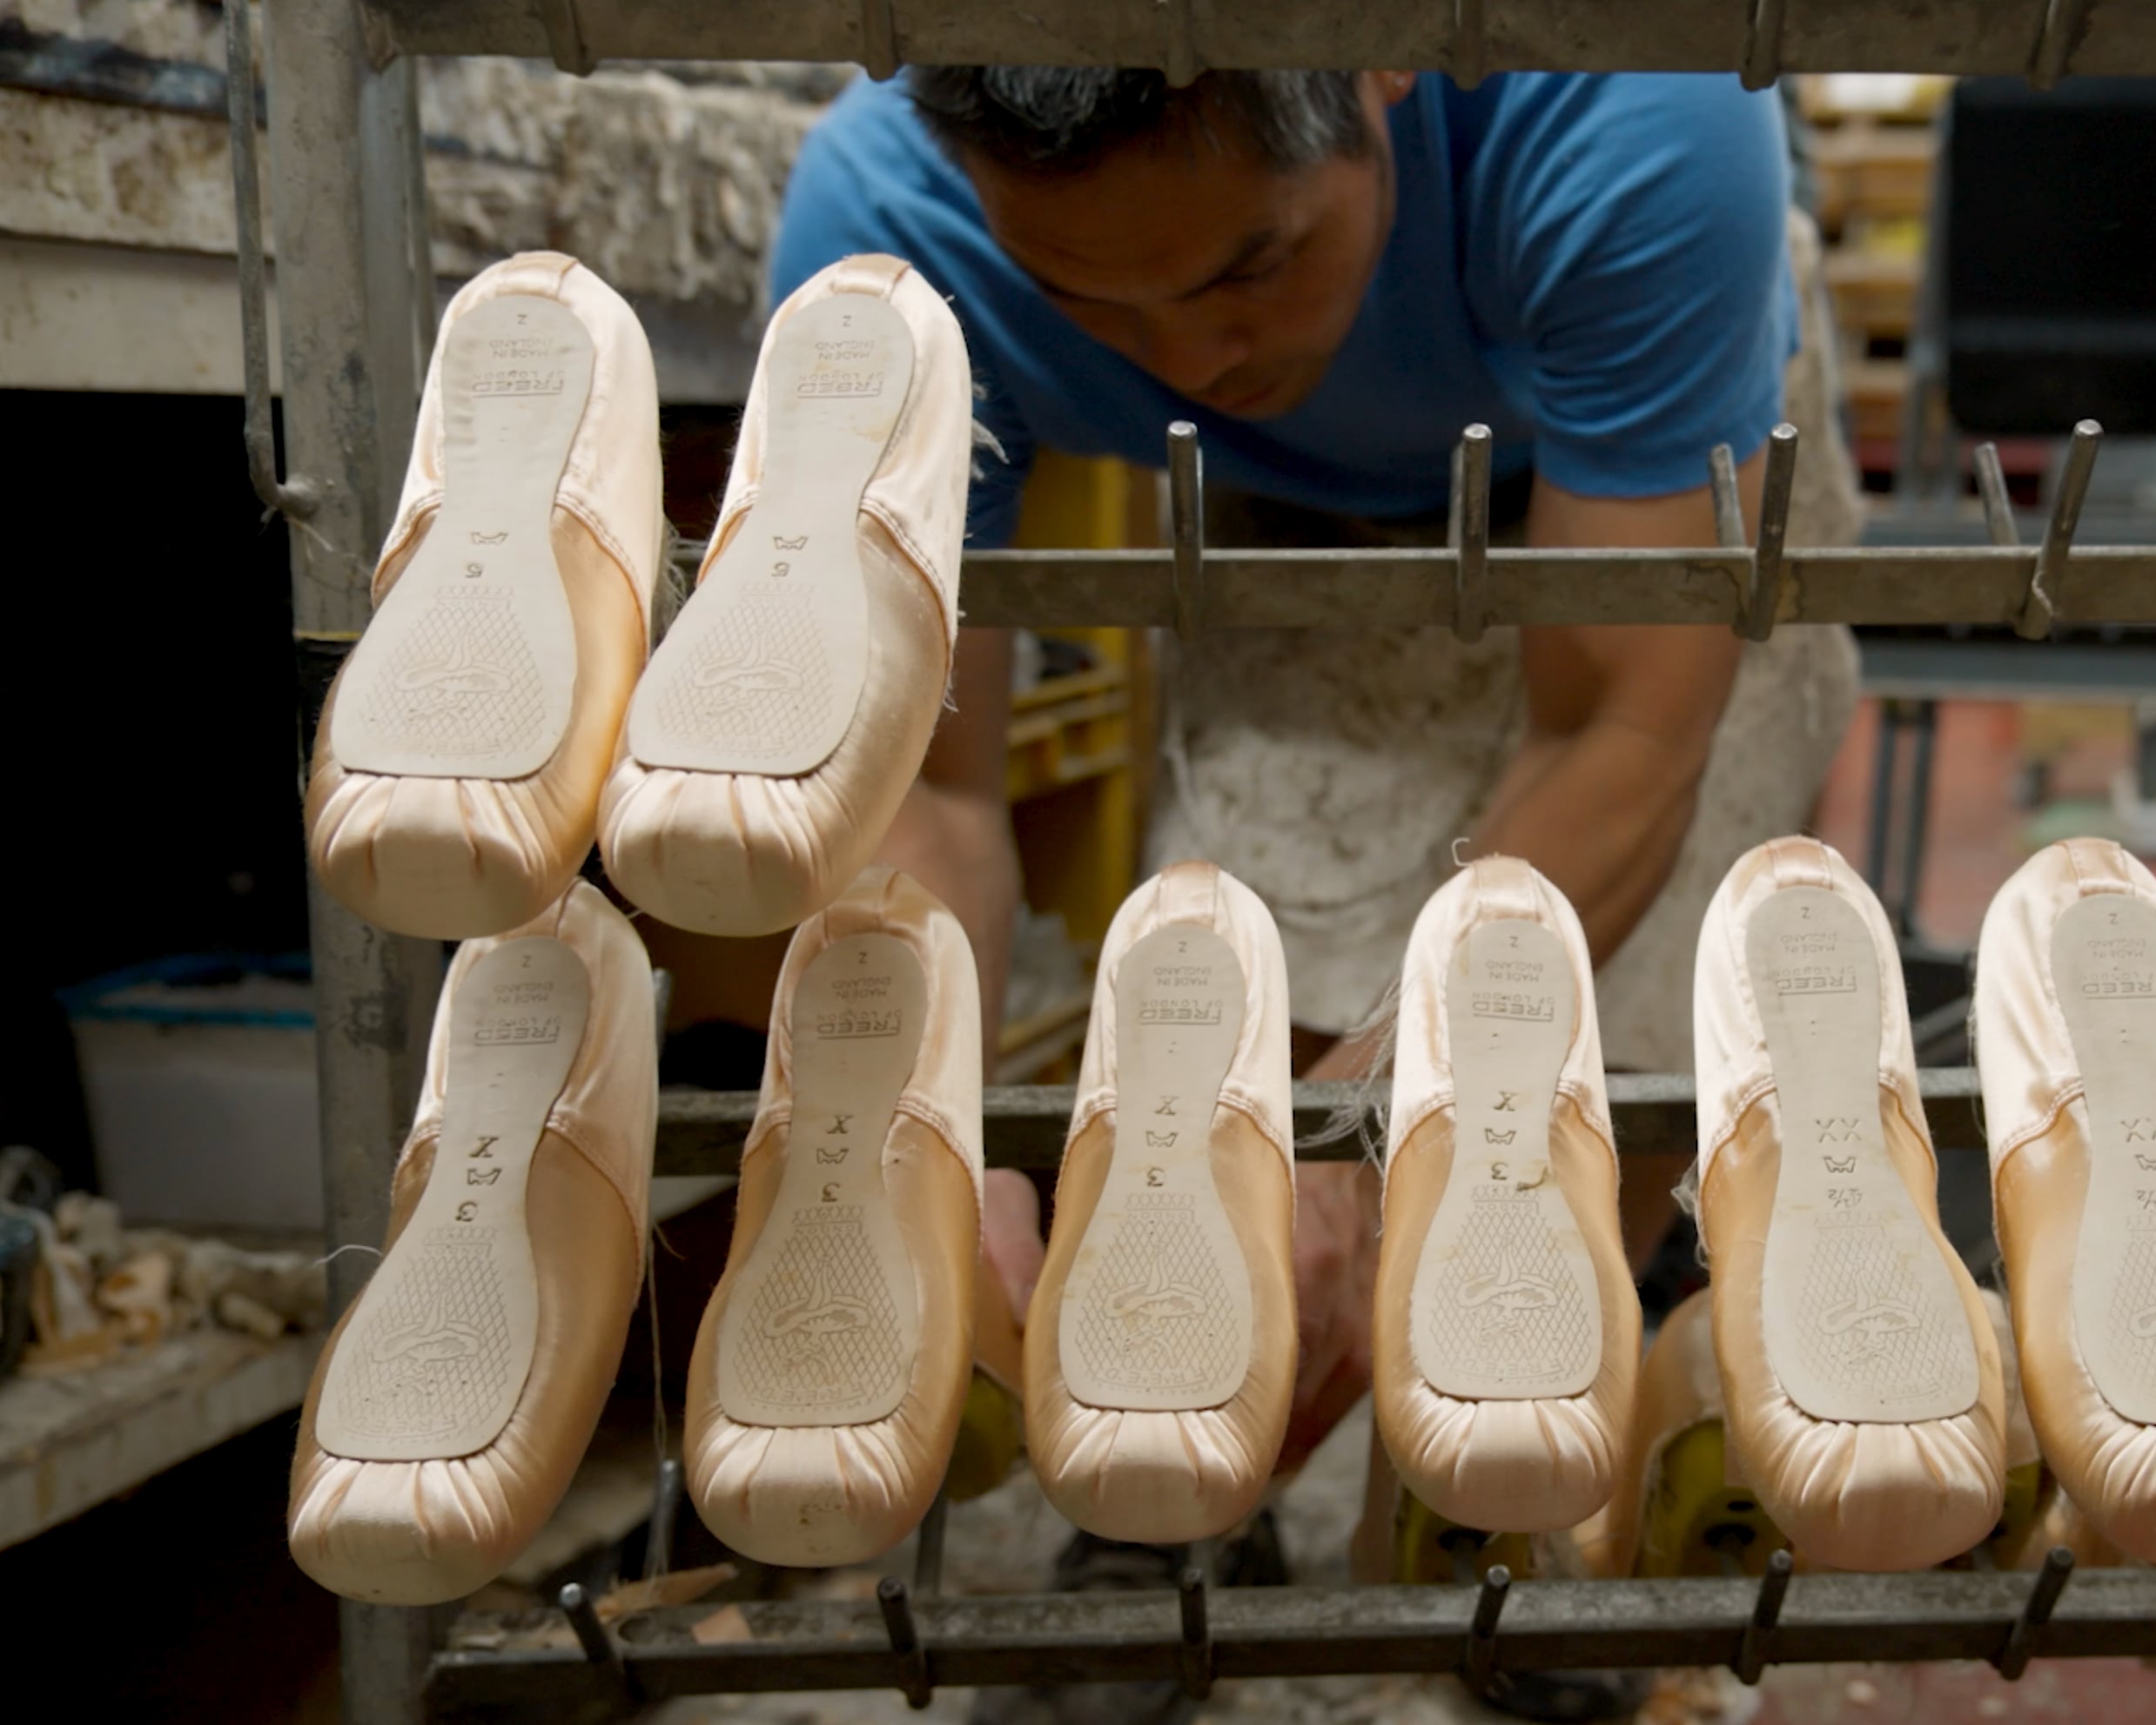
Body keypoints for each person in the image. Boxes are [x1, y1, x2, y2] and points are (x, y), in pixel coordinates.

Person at [707, 57, 1862, 1600]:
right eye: (1093, 300)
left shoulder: (1636, 108)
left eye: (1249, 262)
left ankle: (1521, 1478)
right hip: (1275, 490)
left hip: (1621, 409)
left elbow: (1621, 729)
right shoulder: (890, 231)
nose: (1193, 354)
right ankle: (1186, 1462)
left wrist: (1367, 1120)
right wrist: (941, 1136)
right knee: (1243, 978)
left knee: (1578, 1064)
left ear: (1382, 59)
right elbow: (933, 789)